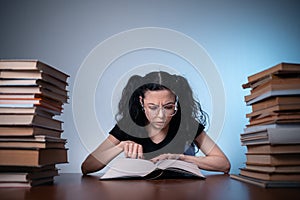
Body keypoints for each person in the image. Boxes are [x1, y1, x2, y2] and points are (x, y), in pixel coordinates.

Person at [81, 71, 230, 175]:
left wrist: (181, 159)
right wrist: (120, 146)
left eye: (168, 107)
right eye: (152, 107)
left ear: (176, 103)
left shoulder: (187, 124)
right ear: (141, 102)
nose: (161, 116)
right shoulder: (129, 124)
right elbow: (87, 167)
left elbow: (224, 164)